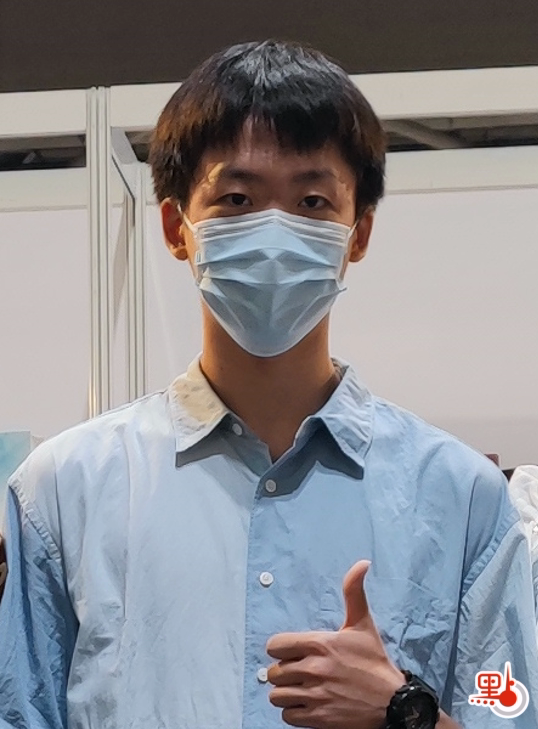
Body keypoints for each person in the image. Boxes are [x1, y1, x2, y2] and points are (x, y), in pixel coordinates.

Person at [0, 39, 537, 729]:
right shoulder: (63, 492)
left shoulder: (462, 500)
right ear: (176, 227)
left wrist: (405, 712)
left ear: (358, 233)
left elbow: (507, 708)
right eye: (237, 198)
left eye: (312, 200)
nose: (275, 229)